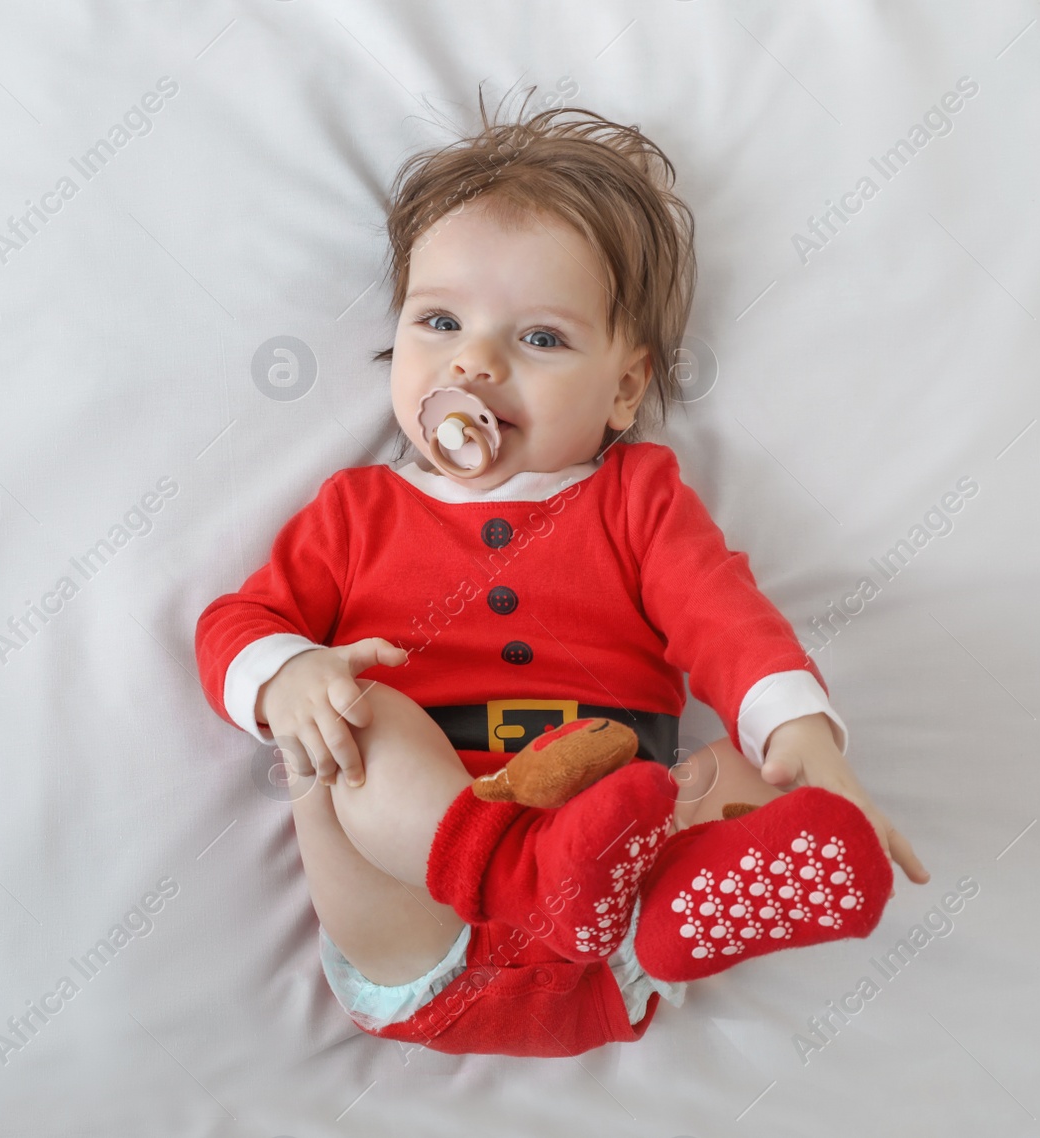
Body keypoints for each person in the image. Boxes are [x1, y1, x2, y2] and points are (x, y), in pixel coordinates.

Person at [195, 88, 929, 1057]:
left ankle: (665, 908)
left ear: (625, 385)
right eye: (439, 323)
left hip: (610, 921)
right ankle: (516, 869)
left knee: (725, 776)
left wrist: (803, 739)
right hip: (416, 919)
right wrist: (288, 675)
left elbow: (723, 618)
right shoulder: (357, 510)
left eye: (538, 337)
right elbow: (237, 620)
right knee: (358, 720)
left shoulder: (635, 497)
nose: (476, 365)